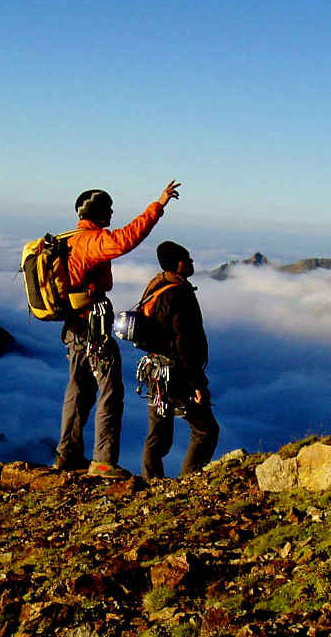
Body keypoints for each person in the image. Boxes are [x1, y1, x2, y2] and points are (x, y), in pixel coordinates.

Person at [54, 180, 181, 478]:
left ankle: (66, 454)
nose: (112, 214)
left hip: (73, 328)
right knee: (110, 390)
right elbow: (126, 239)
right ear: (97, 212)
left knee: (79, 390)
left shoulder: (67, 239)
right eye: (108, 209)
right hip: (92, 328)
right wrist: (158, 206)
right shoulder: (90, 241)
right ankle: (102, 461)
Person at [138, 241, 219, 479]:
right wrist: (196, 383)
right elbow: (182, 342)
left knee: (158, 433)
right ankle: (188, 481)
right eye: (188, 259)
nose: (192, 262)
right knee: (206, 430)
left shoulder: (157, 286)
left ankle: (150, 483)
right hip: (177, 375)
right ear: (177, 263)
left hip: (155, 370)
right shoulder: (177, 294)